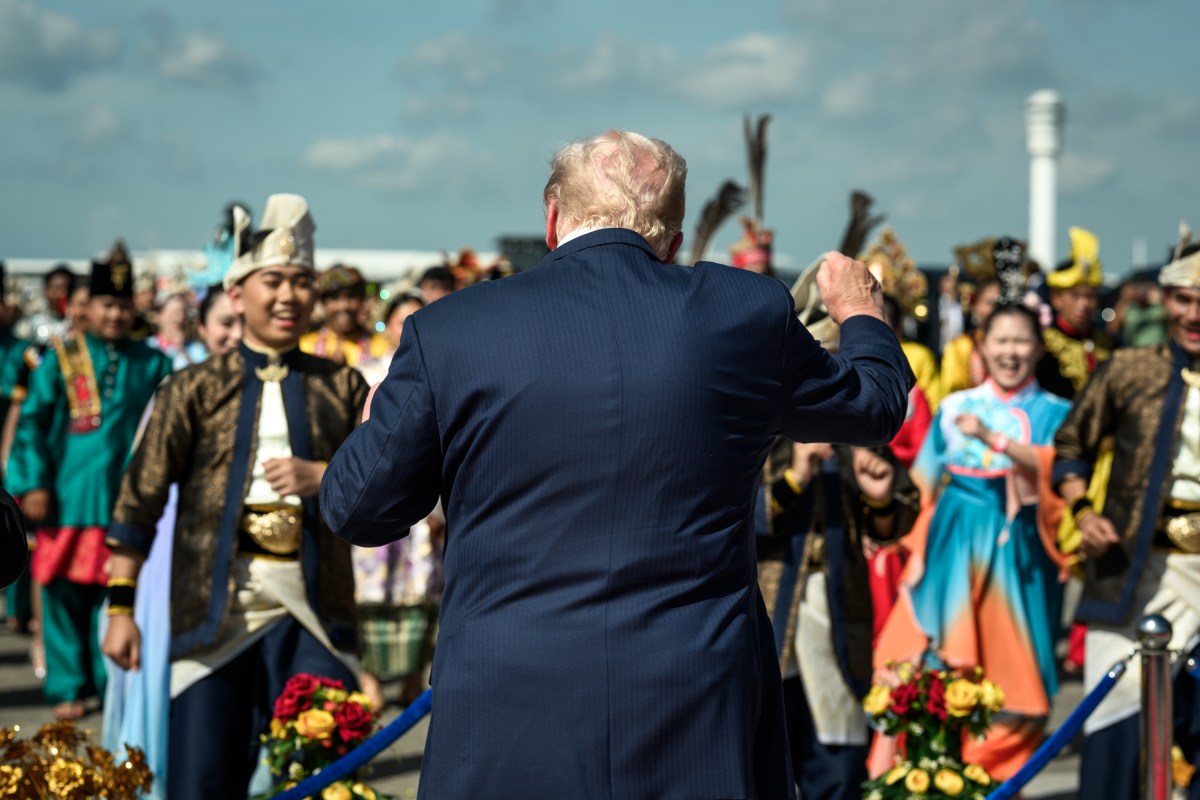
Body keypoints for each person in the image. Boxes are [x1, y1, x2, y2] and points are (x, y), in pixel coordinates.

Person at [320, 130, 913, 799]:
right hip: (694, 699)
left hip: (508, 702)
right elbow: (877, 406)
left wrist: (374, 426)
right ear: (675, 235)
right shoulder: (745, 311)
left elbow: (359, 509)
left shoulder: (452, 329)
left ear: (552, 215)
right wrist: (861, 310)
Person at [102, 194, 368, 800]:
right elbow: (138, 500)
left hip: (314, 616)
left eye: (301, 282)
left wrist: (324, 476)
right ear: (238, 289)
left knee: (325, 780)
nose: (288, 296)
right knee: (202, 780)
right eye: (273, 280)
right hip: (212, 615)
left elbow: (384, 484)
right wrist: (120, 610)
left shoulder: (343, 387)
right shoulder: (191, 388)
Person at [875, 303, 1072, 780]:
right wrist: (901, 540)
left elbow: (1063, 482)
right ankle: (940, 779)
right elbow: (923, 486)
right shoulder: (954, 406)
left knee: (1015, 684)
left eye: (1021, 341)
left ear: (1039, 348)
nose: (1010, 351)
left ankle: (997, 782)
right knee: (931, 667)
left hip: (1019, 557)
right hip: (950, 552)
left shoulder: (1059, 413)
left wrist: (999, 442)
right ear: (981, 346)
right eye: (1000, 340)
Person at [1053, 241, 1200, 798]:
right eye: (1184, 299)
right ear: (1165, 300)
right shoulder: (1128, 369)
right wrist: (1084, 511)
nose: (1194, 314)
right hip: (1133, 571)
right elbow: (1071, 445)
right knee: (1114, 727)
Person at [6, 242, 173, 720]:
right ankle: (66, 684)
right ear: (87, 306)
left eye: (123, 305)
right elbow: (32, 424)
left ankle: (110, 682)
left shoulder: (154, 363)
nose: (116, 314)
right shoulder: (61, 358)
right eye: (107, 304)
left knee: (118, 596)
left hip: (130, 504)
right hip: (66, 500)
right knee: (60, 596)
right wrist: (33, 485)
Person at [100, 282, 242, 798]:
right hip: (174, 551)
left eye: (239, 322)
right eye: (223, 322)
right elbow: (139, 488)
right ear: (201, 328)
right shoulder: (179, 387)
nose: (234, 333)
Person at [1036, 227, 1113, 400]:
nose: (1083, 304)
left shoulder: (1108, 344)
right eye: (1075, 295)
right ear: (1056, 298)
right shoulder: (1042, 348)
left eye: (1090, 296)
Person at [299, 264, 389, 368]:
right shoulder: (306, 346)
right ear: (324, 302)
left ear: (361, 300)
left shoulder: (380, 347)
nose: (343, 306)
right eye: (334, 298)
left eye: (351, 297)